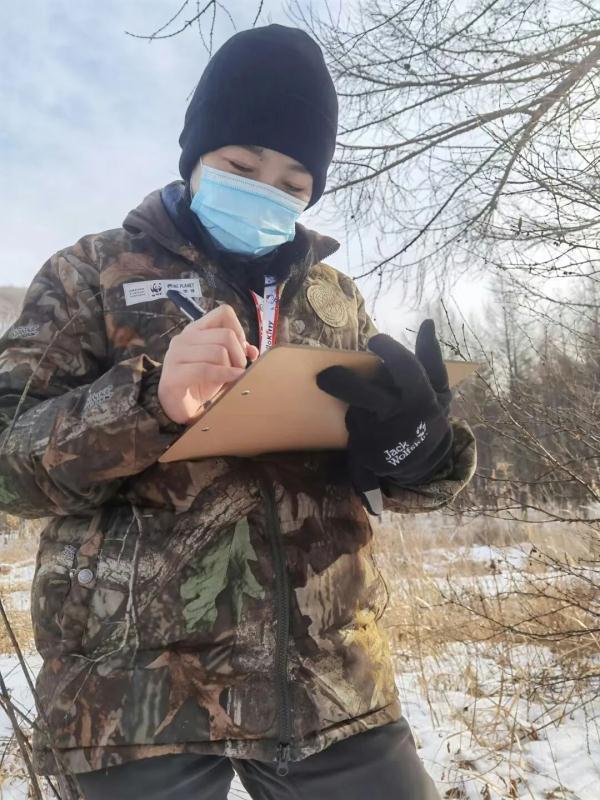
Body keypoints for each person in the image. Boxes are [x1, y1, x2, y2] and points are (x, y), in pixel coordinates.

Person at [0, 24, 476, 800]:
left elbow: (378, 473)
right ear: (194, 156)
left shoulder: (335, 298)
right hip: (134, 698)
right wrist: (147, 405)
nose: (267, 191)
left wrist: (417, 453)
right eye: (241, 165)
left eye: (293, 182)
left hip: (330, 684)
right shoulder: (88, 274)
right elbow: (6, 468)